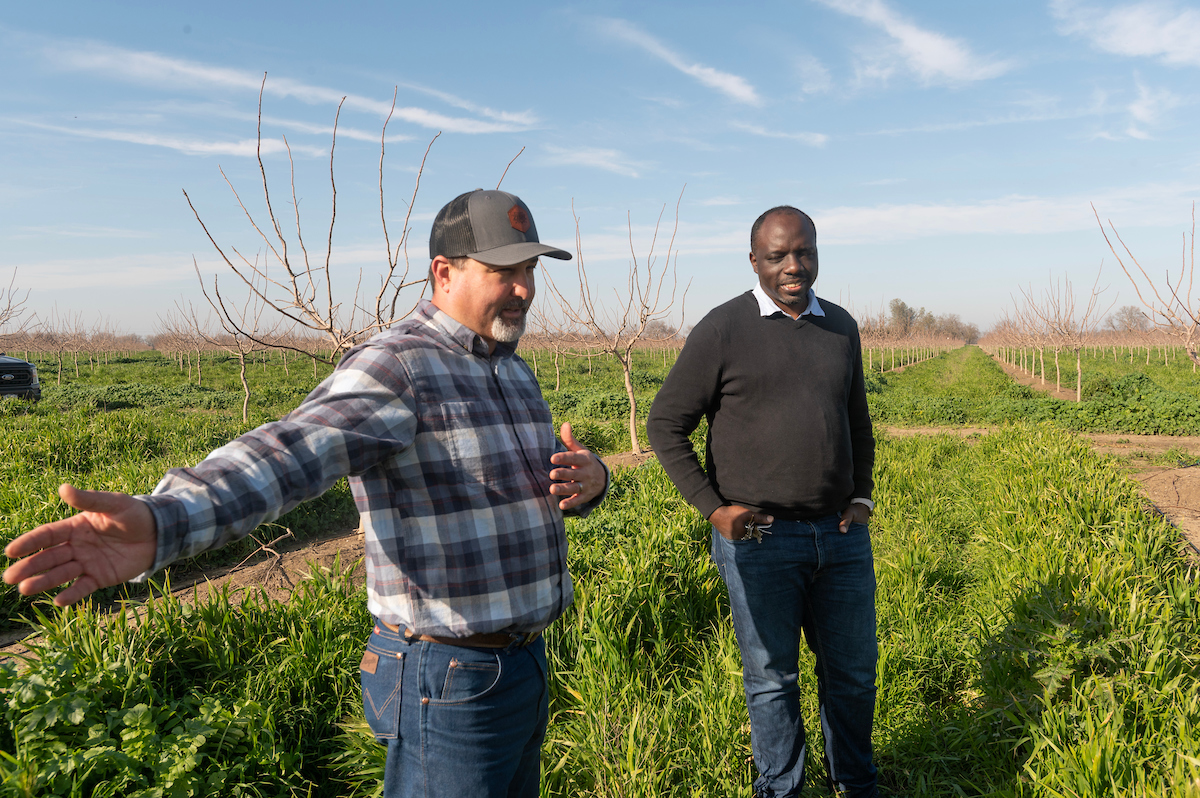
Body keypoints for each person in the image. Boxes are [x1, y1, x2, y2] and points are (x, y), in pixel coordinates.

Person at [3, 188, 609, 798]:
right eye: (505, 271)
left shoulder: (511, 370)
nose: (526, 289)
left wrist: (592, 482)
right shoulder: (401, 366)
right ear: (444, 273)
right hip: (450, 676)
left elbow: (524, 489)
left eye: (529, 269)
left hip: (526, 662)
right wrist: (167, 521)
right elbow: (291, 450)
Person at [647, 205, 878, 797]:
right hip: (760, 540)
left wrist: (862, 497)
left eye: (804, 252)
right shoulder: (724, 329)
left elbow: (857, 421)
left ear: (817, 254)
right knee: (773, 678)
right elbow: (666, 424)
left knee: (852, 675)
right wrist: (713, 508)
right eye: (778, 256)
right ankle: (782, 788)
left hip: (842, 536)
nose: (793, 266)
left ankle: (854, 782)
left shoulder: (842, 327)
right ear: (755, 261)